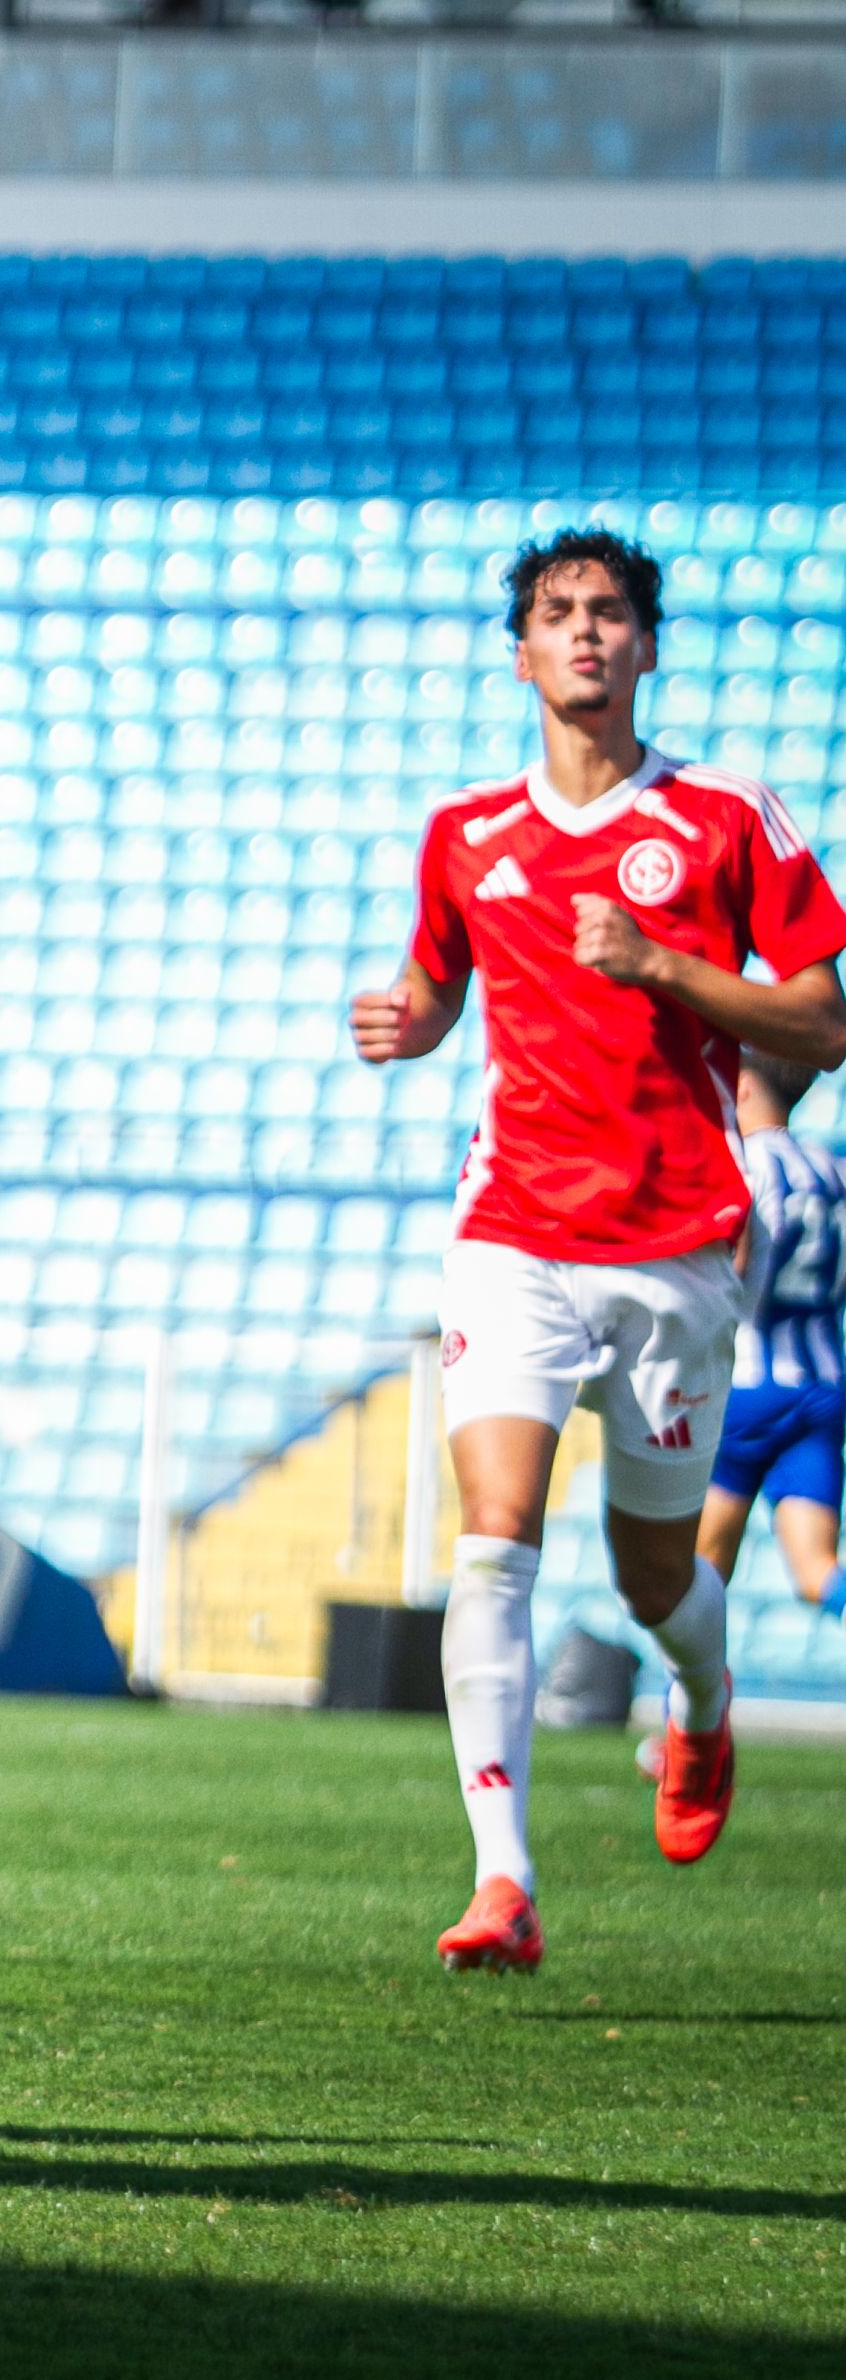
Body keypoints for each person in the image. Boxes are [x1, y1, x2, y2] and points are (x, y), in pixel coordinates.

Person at [353, 527, 846, 1974]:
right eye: (557, 613)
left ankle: (701, 1702)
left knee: (650, 1583)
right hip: (510, 1233)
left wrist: (662, 968)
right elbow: (439, 982)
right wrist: (406, 1021)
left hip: (679, 1245)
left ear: (645, 647)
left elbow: (819, 1022)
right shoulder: (466, 837)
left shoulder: (720, 819)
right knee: (494, 1542)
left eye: (608, 612)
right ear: (521, 653)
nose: (583, 632)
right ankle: (501, 1882)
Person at [694, 1049, 846, 1616]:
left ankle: (691, 1703)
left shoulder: (739, 1165)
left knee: (699, 1568)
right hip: (823, 1387)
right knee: (817, 1572)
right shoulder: (834, 1170)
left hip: (744, 1391)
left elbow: (727, 1273)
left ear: (745, 1088)